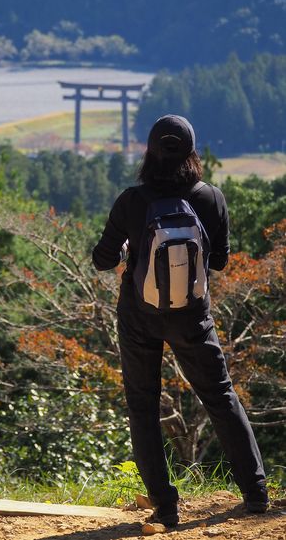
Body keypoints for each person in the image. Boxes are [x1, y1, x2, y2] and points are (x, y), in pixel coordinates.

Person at [92, 115, 269, 527]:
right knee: (221, 397)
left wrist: (125, 252)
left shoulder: (131, 200)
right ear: (192, 152)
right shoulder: (210, 197)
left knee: (143, 405)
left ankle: (165, 506)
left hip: (139, 314)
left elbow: (102, 260)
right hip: (192, 317)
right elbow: (221, 262)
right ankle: (256, 494)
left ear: (150, 152)